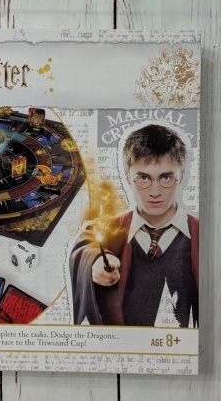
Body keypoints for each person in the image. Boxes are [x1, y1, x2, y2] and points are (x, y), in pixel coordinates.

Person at [70, 124, 199, 327]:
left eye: (166, 177)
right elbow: (87, 244)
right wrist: (95, 261)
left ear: (181, 176)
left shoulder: (206, 235)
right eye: (143, 178)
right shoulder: (109, 230)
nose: (155, 192)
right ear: (128, 177)